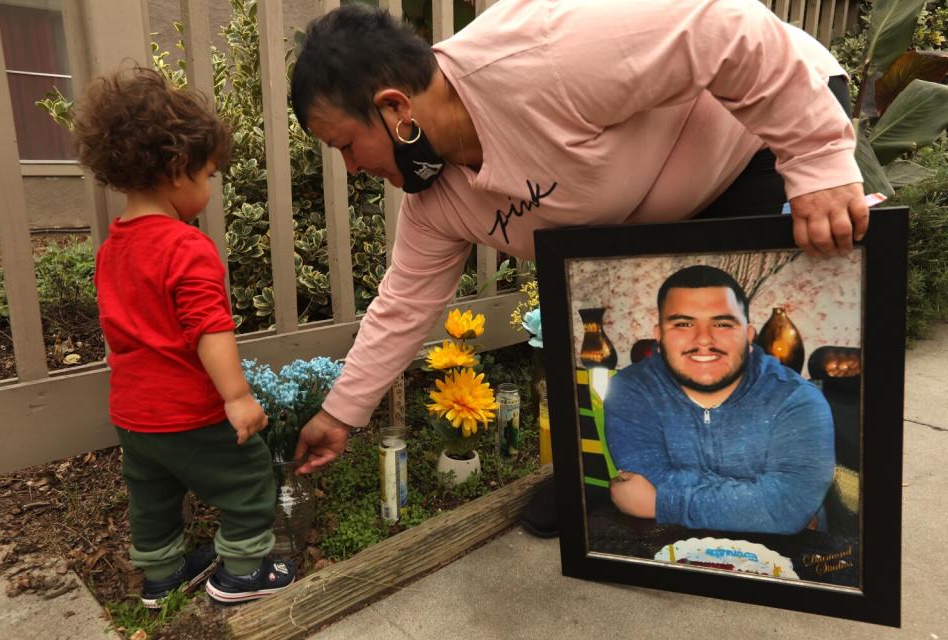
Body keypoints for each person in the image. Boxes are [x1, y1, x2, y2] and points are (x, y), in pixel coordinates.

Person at [288, 0, 866, 534]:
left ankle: (814, 502)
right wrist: (340, 414)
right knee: (623, 339)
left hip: (754, 132)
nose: (352, 167)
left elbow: (725, 27)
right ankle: (602, 483)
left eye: (345, 144)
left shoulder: (541, 57)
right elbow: (403, 305)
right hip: (650, 202)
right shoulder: (435, 202)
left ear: (394, 108)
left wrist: (817, 159)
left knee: (745, 335)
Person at [74, 67, 295, 606]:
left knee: (152, 496)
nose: (210, 190)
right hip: (188, 411)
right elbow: (209, 328)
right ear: (178, 168)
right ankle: (242, 572)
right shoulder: (185, 246)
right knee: (246, 483)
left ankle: (162, 576)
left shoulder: (111, 250)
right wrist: (237, 397)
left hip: (133, 415)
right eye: (209, 176)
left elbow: (117, 329)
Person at [604, 265, 835, 535]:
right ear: (659, 336)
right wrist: (758, 502)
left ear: (749, 337)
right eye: (683, 324)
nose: (703, 339)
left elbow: (786, 508)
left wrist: (661, 502)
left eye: (722, 323)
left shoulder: (798, 399)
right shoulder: (631, 389)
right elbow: (642, 479)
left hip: (785, 559)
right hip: (669, 551)